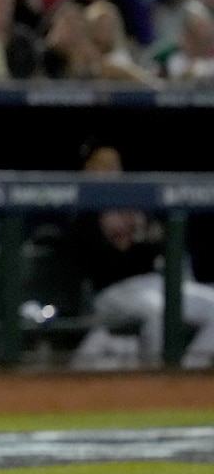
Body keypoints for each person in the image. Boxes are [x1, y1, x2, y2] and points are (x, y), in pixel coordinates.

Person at [68, 139, 214, 370]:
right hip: (112, 292)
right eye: (102, 165)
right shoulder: (82, 210)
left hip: (154, 282)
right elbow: (105, 263)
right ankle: (155, 377)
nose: (111, 170)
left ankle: (187, 372)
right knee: (158, 312)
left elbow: (160, 243)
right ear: (87, 169)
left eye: (114, 164)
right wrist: (140, 245)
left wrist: (135, 247)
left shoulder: (135, 201)